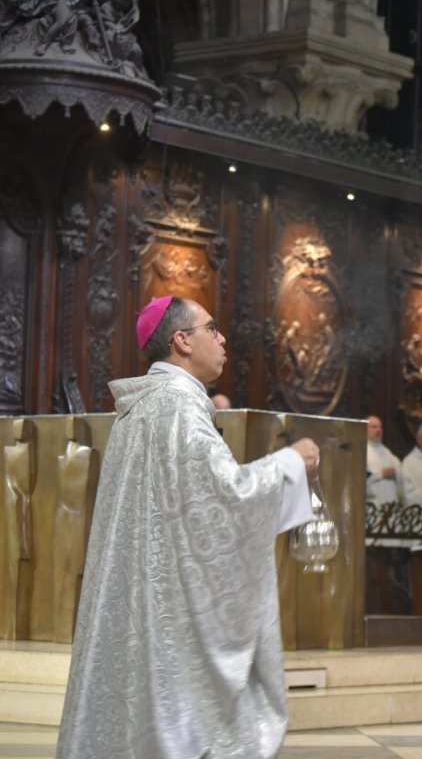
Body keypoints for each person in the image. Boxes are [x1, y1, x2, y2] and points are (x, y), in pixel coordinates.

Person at [58, 296, 318, 759]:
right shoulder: (178, 407)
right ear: (181, 340)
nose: (222, 340)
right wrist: (290, 463)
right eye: (212, 329)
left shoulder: (139, 409)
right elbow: (226, 500)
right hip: (169, 613)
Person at [365, 414, 401, 507]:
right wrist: (381, 474)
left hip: (391, 505)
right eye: (374, 427)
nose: (378, 430)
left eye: (380, 427)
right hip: (373, 505)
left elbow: (402, 475)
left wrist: (396, 473)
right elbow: (359, 480)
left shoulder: (387, 452)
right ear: (365, 429)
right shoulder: (362, 452)